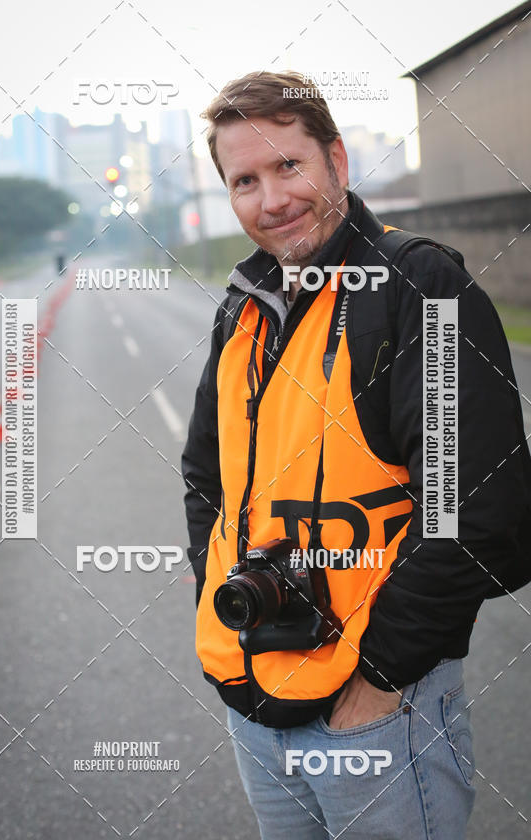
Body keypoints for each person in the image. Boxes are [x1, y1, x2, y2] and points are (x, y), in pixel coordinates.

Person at [181, 71, 531, 839]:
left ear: (336, 159)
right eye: (245, 181)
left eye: (289, 166)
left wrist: (375, 683)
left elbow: (477, 509)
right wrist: (218, 593)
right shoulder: (242, 309)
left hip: (375, 716)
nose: (272, 199)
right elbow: (206, 478)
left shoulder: (419, 285)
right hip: (254, 700)